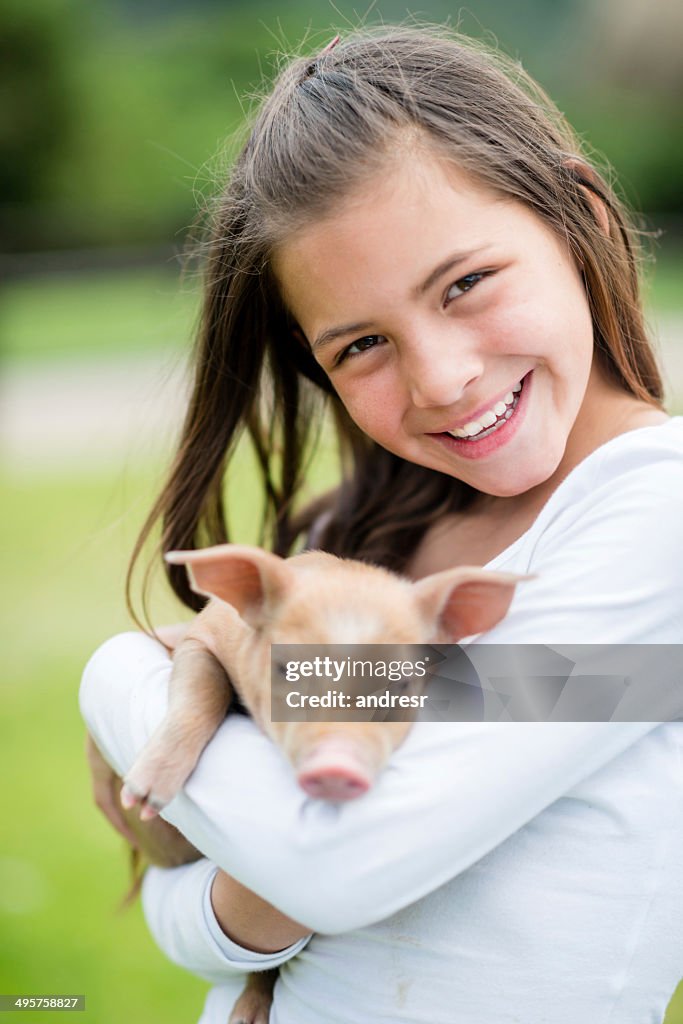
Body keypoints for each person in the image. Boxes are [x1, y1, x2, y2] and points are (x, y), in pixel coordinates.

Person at [80, 24, 683, 1024]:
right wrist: (241, 901)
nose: (441, 377)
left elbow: (335, 865)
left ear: (578, 219)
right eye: (362, 343)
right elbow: (195, 920)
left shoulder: (657, 516)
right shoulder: (370, 545)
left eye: (464, 283)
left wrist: (119, 682)